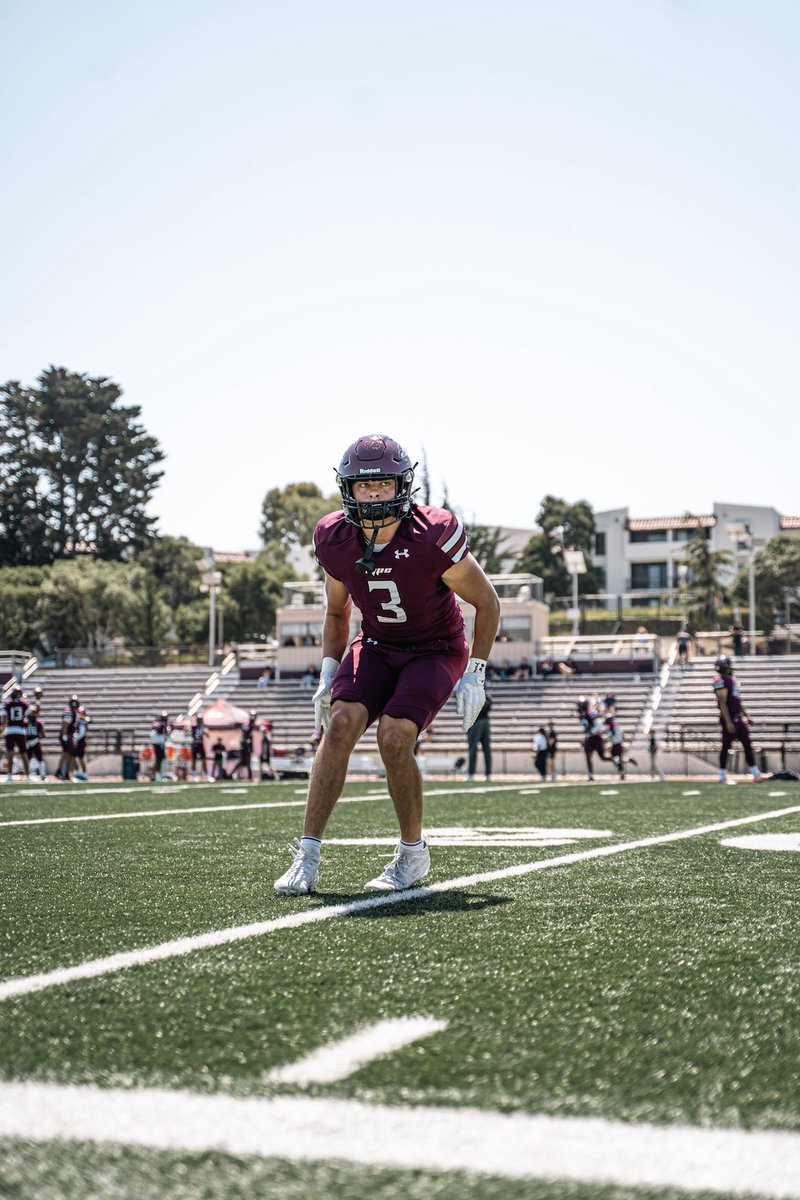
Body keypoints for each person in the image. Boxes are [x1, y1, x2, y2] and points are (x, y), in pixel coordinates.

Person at [274, 433, 500, 896]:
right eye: (364, 486)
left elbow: (487, 601)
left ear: (403, 486)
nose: (374, 495)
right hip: (376, 642)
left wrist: (476, 671)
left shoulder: (433, 534)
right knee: (339, 725)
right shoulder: (334, 537)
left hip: (435, 647)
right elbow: (337, 611)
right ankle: (308, 854)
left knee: (394, 736)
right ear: (348, 490)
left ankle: (413, 854)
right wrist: (327, 670)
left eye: (383, 485)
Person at [712, 656, 761, 783]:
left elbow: (737, 701)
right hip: (729, 719)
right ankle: (722, 775)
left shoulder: (731, 680)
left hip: (738, 718)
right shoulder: (720, 680)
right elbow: (722, 703)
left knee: (747, 745)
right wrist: (728, 722)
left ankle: (755, 773)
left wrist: (746, 715)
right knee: (726, 747)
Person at [2, 685, 32, 782]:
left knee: (10, 753)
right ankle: (28, 776)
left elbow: (4, 720)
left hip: (10, 730)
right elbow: (32, 713)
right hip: (20, 730)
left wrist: (2, 730)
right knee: (23, 753)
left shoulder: (7, 704)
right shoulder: (24, 704)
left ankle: (9, 775)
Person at [577, 696, 608, 782]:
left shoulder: (591, 713)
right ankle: (590, 775)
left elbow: (599, 724)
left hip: (596, 737)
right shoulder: (581, 716)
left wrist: (592, 731)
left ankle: (617, 762)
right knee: (587, 756)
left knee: (602, 757)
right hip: (589, 737)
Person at [466, 690, 493, 782]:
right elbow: (489, 706)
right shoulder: (486, 696)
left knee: (473, 749)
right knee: (487, 750)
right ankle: (488, 775)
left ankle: (471, 774)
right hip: (486, 722)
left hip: (475, 723)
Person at [57, 694, 80, 781]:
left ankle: (63, 773)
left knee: (68, 754)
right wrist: (65, 736)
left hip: (69, 735)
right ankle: (65, 773)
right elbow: (65, 725)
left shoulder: (73, 711)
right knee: (69, 754)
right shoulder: (69, 711)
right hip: (67, 735)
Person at [232, 711, 257, 780]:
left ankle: (236, 774)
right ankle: (235, 773)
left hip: (246, 745)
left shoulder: (251, 725)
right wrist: (248, 746)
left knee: (245, 762)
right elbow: (245, 736)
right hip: (245, 746)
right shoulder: (247, 725)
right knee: (245, 761)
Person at [23, 707, 47, 780]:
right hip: (32, 743)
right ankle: (30, 775)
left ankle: (40, 775)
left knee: (36, 759)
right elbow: (43, 735)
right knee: (30, 759)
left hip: (33, 742)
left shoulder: (32, 723)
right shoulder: (29, 723)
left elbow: (43, 735)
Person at [150, 711, 169, 781]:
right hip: (158, 744)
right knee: (159, 760)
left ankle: (159, 774)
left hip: (161, 744)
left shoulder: (163, 724)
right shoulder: (157, 724)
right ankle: (157, 775)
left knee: (162, 759)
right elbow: (156, 730)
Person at [73, 705, 90, 780]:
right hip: (81, 741)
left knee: (77, 757)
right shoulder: (82, 719)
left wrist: (75, 738)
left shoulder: (82, 720)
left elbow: (82, 733)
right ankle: (82, 773)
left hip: (80, 741)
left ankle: (80, 773)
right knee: (79, 758)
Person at [190, 713, 208, 780]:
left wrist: (203, 729)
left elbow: (207, 735)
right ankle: (194, 774)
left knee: (203, 759)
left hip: (200, 745)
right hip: (195, 745)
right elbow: (193, 737)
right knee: (194, 760)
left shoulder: (203, 728)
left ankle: (205, 774)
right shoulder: (194, 727)